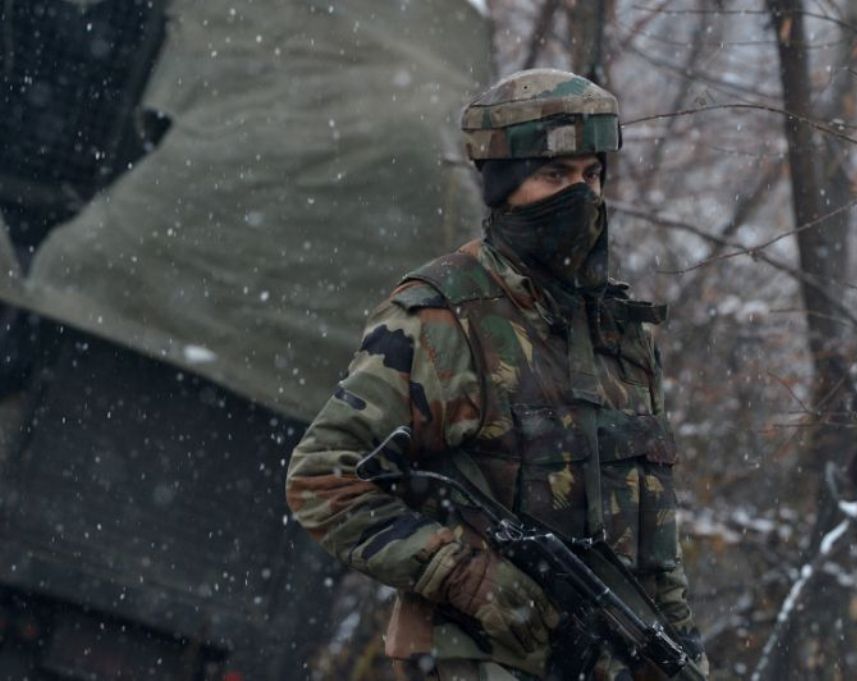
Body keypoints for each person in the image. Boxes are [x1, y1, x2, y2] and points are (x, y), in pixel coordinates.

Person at [285, 68, 708, 681]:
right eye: (554, 175)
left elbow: (654, 548)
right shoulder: (442, 316)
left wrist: (683, 651)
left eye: (592, 176)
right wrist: (467, 575)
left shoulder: (621, 332)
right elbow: (323, 480)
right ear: (504, 186)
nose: (582, 197)